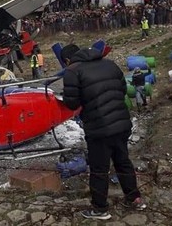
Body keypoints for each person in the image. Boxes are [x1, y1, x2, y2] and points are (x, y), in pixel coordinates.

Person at [61, 44, 146, 220]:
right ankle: (134, 198)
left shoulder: (72, 71)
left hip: (99, 128)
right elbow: (122, 90)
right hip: (121, 123)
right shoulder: (110, 64)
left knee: (99, 169)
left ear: (67, 60)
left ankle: (100, 209)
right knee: (123, 162)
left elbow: (72, 103)